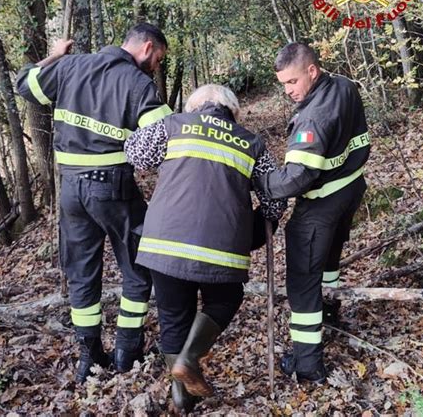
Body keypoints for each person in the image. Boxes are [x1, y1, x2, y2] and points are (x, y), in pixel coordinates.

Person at [16, 23, 173, 383]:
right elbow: (166, 138)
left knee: (82, 274)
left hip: (70, 191)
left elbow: (25, 83)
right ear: (147, 48)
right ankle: (127, 350)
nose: (156, 67)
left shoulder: (70, 67)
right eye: (158, 59)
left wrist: (56, 55)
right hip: (114, 188)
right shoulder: (138, 84)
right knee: (138, 268)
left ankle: (89, 356)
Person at [124, 84, 286, 411]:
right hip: (222, 248)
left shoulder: (173, 126)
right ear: (233, 110)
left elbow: (134, 152)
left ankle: (182, 400)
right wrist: (259, 227)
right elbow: (276, 195)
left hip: (163, 244)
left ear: (194, 106)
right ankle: (189, 358)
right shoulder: (250, 142)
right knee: (226, 298)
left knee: (173, 316)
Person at [254, 43, 370, 384]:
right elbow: (360, 143)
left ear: (312, 71)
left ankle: (308, 364)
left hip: (319, 206)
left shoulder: (313, 116)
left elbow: (297, 177)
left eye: (292, 82)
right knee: (329, 262)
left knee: (303, 283)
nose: (289, 91)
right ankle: (331, 314)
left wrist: (262, 184)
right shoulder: (345, 86)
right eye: (283, 85)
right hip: (349, 191)